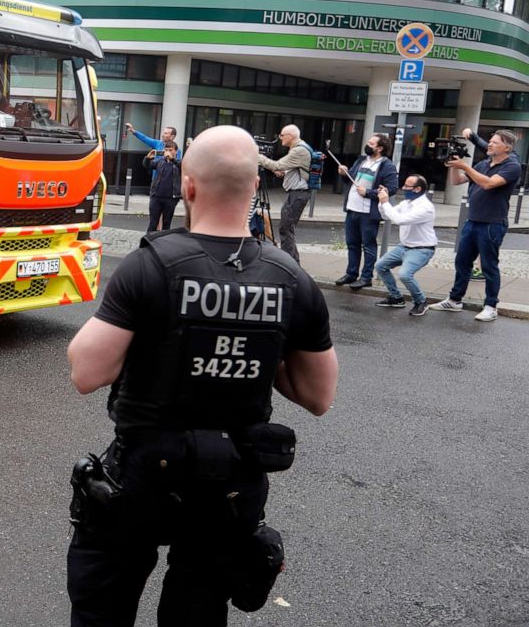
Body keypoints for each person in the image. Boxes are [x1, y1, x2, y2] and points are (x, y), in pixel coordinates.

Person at [66, 125, 338, 627]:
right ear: (256, 186)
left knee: (102, 606)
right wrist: (261, 347)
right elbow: (319, 395)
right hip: (231, 482)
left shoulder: (150, 265)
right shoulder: (292, 278)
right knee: (199, 611)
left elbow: (87, 371)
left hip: (144, 475)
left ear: (187, 186)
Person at [431, 129, 522, 322]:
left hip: (492, 223)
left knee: (489, 266)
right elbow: (456, 181)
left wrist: (465, 166)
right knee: (462, 262)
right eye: (489, 141)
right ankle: (455, 300)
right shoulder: (483, 164)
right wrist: (454, 165)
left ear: (507, 147)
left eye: (495, 142)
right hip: (472, 221)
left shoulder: (512, 166)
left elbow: (488, 184)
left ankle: (491, 306)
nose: (489, 144)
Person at [335, 134, 398, 290]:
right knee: (352, 244)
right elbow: (351, 181)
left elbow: (391, 188)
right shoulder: (362, 160)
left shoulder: (386, 165)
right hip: (352, 208)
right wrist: (344, 173)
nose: (367, 145)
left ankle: (366, 277)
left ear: (380, 148)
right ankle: (351, 273)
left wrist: (369, 192)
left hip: (368, 213)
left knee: (368, 245)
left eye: (371, 143)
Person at [373, 175, 437, 316]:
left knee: (405, 274)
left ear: (418, 189)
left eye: (407, 186)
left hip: (422, 249)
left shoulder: (425, 207)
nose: (403, 188)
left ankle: (421, 302)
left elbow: (400, 220)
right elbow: (386, 215)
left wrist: (385, 202)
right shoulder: (406, 203)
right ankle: (396, 298)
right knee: (380, 266)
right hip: (404, 246)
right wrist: (383, 201)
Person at [256, 124, 311, 263]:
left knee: (286, 229)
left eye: (282, 135)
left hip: (298, 194)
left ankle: (288, 264)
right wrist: (282, 172)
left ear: (290, 136)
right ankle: (293, 262)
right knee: (287, 228)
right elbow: (284, 169)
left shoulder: (299, 150)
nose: (280, 138)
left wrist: (256, 156)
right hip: (296, 193)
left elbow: (277, 165)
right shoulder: (297, 148)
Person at [143, 140, 181, 232]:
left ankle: (164, 243)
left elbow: (182, 167)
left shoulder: (179, 162)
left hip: (171, 198)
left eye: (170, 150)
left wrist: (172, 159)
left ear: (176, 151)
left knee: (166, 224)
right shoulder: (160, 161)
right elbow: (147, 165)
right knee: (153, 223)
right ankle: (148, 242)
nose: (168, 152)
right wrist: (148, 158)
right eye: (166, 150)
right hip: (156, 196)